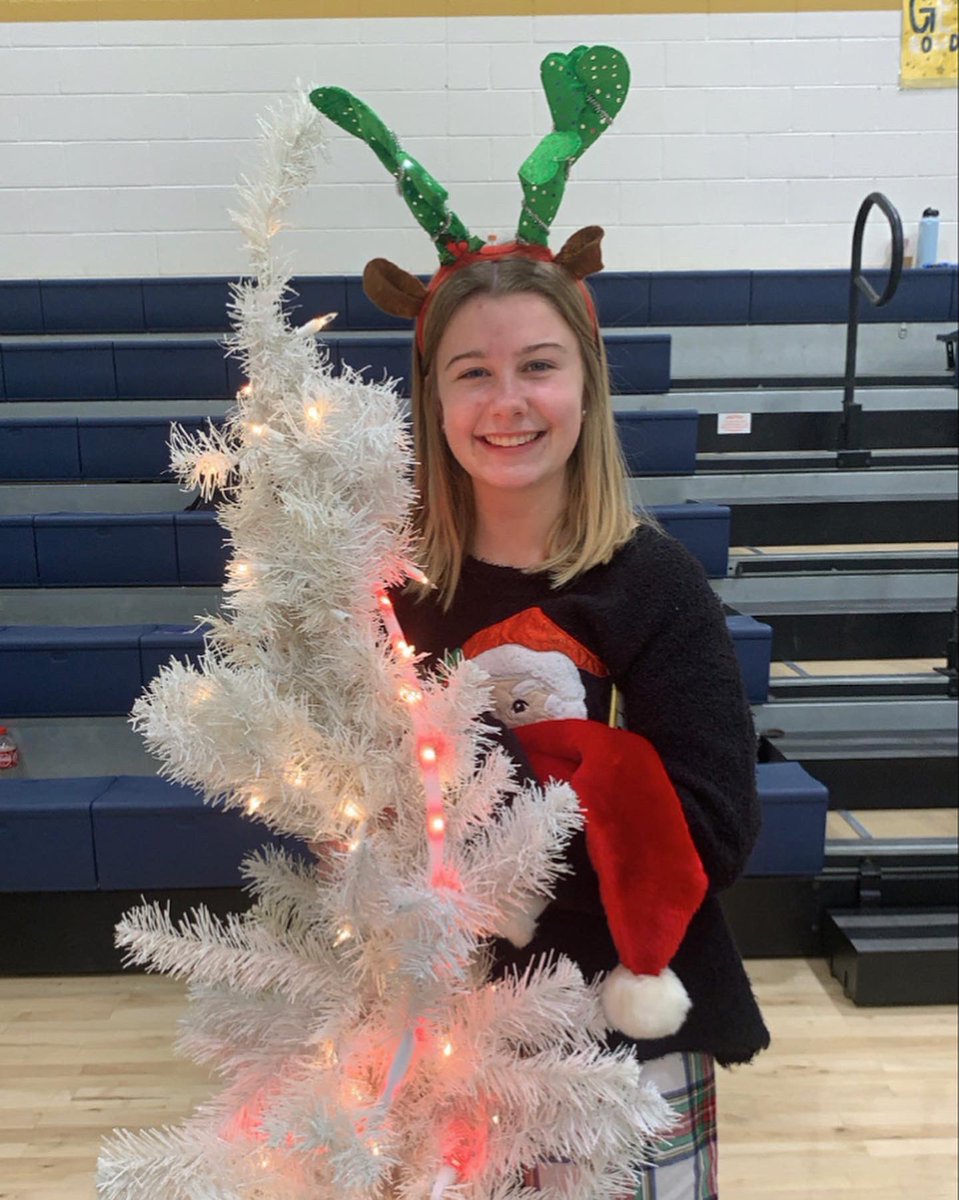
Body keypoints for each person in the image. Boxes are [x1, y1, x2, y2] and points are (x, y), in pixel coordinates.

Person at [390, 249, 770, 1199]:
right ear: (434, 401)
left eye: (539, 366)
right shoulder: (390, 592)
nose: (505, 401)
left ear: (588, 387)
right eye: (472, 372)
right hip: (435, 1033)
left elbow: (712, 832)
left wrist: (471, 792)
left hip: (621, 1031)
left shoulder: (653, 585)